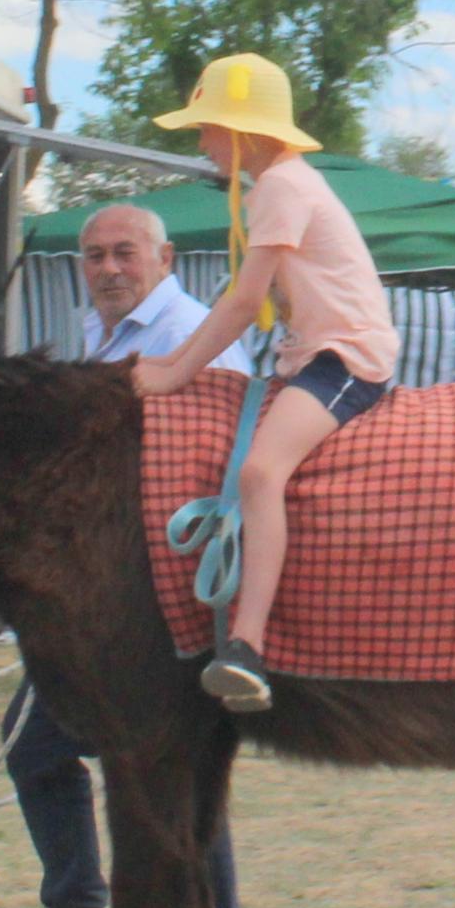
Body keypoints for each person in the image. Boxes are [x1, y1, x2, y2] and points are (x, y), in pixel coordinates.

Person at [0, 202, 250, 908]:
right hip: (102, 599)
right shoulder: (99, 338)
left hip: (162, 594)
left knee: (173, 767)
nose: (106, 267)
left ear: (163, 258)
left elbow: (221, 463)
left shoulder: (195, 337)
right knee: (45, 747)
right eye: (92, 255)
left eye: (123, 252)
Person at [128, 56, 397, 713]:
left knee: (257, 473)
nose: (200, 142)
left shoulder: (280, 188)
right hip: (313, 356)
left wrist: (171, 372)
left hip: (347, 358)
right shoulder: (279, 183)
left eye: (208, 128)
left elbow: (242, 303)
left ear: (242, 132)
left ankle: (246, 644)